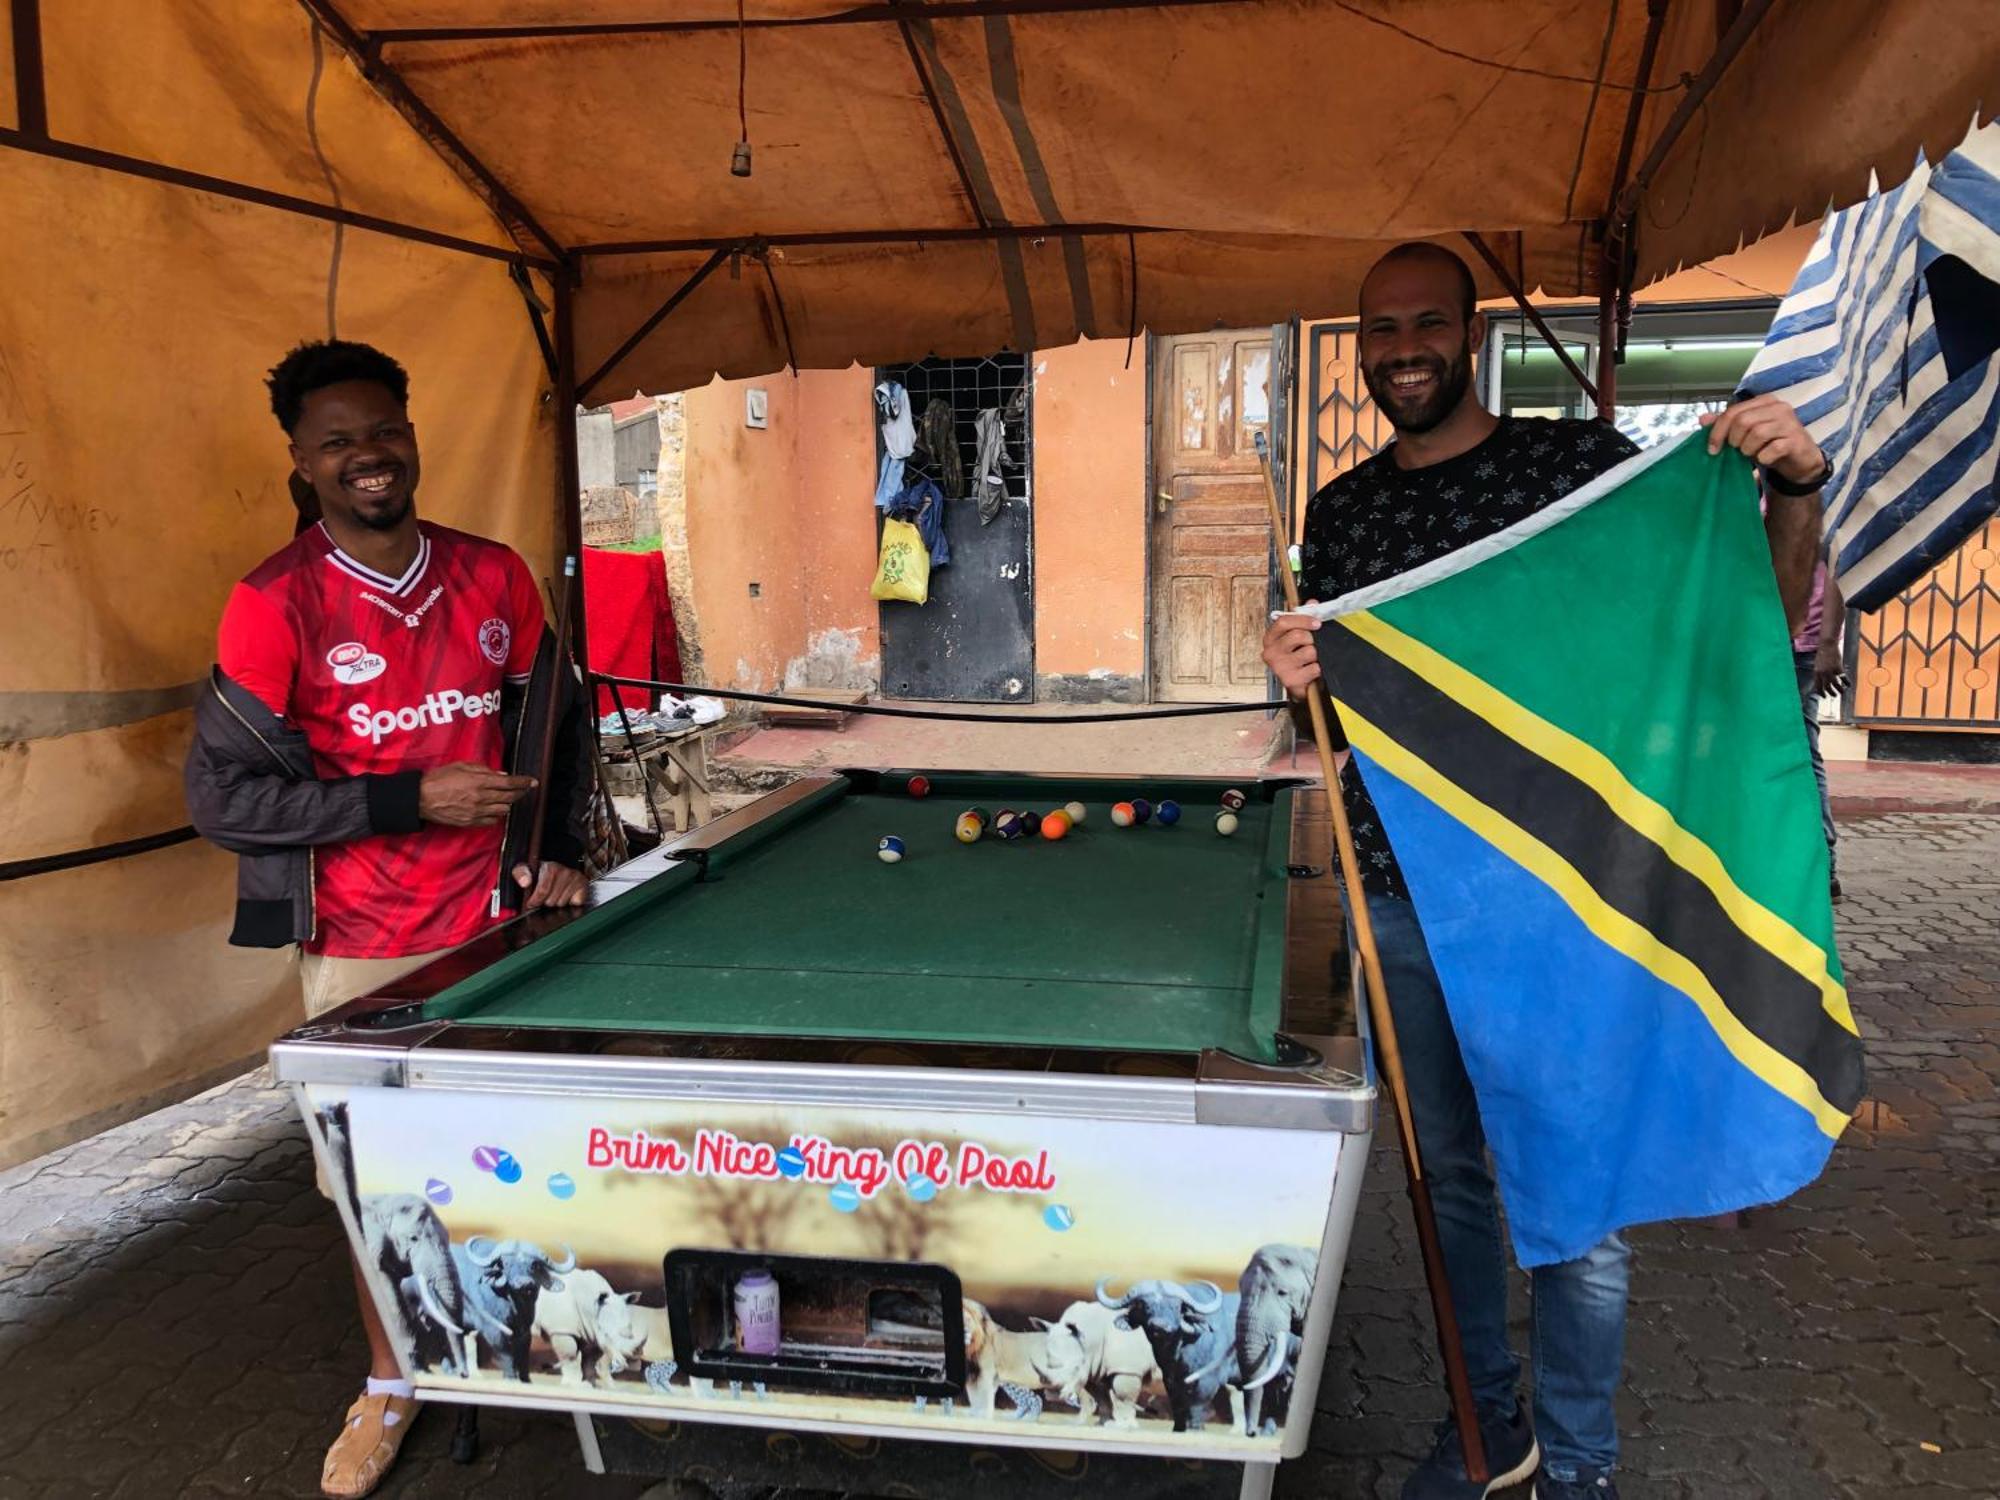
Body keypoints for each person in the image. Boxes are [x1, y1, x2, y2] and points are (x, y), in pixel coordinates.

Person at [1262, 244, 1825, 1500]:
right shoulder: (1341, 516)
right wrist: (1294, 682)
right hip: (1400, 898)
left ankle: (1577, 1461)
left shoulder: (1573, 473)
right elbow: (1334, 726)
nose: (1402, 349)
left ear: (1468, 335)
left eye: (1425, 323)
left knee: (1573, 1182)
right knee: (1448, 1184)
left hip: (1559, 899)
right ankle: (1488, 1432)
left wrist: (1793, 488)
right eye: (1379, 329)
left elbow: (1732, 611)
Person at [185, 340, 593, 1499]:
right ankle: (391, 1379)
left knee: (523, 1156)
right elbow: (225, 800)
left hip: (505, 926)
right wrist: (408, 798)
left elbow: (554, 723)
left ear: (410, 437)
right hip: (368, 948)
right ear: (301, 462)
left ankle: (534, 1342)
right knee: (379, 1183)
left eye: (382, 431)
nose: (366, 456)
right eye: (337, 442)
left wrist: (558, 849)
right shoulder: (275, 602)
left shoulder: (491, 573)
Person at [1795, 563, 1846, 899]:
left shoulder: (1818, 521)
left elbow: (1840, 569)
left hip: (1801, 644)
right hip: (1768, 638)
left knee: (1802, 751)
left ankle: (1823, 861)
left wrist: (1828, 644)